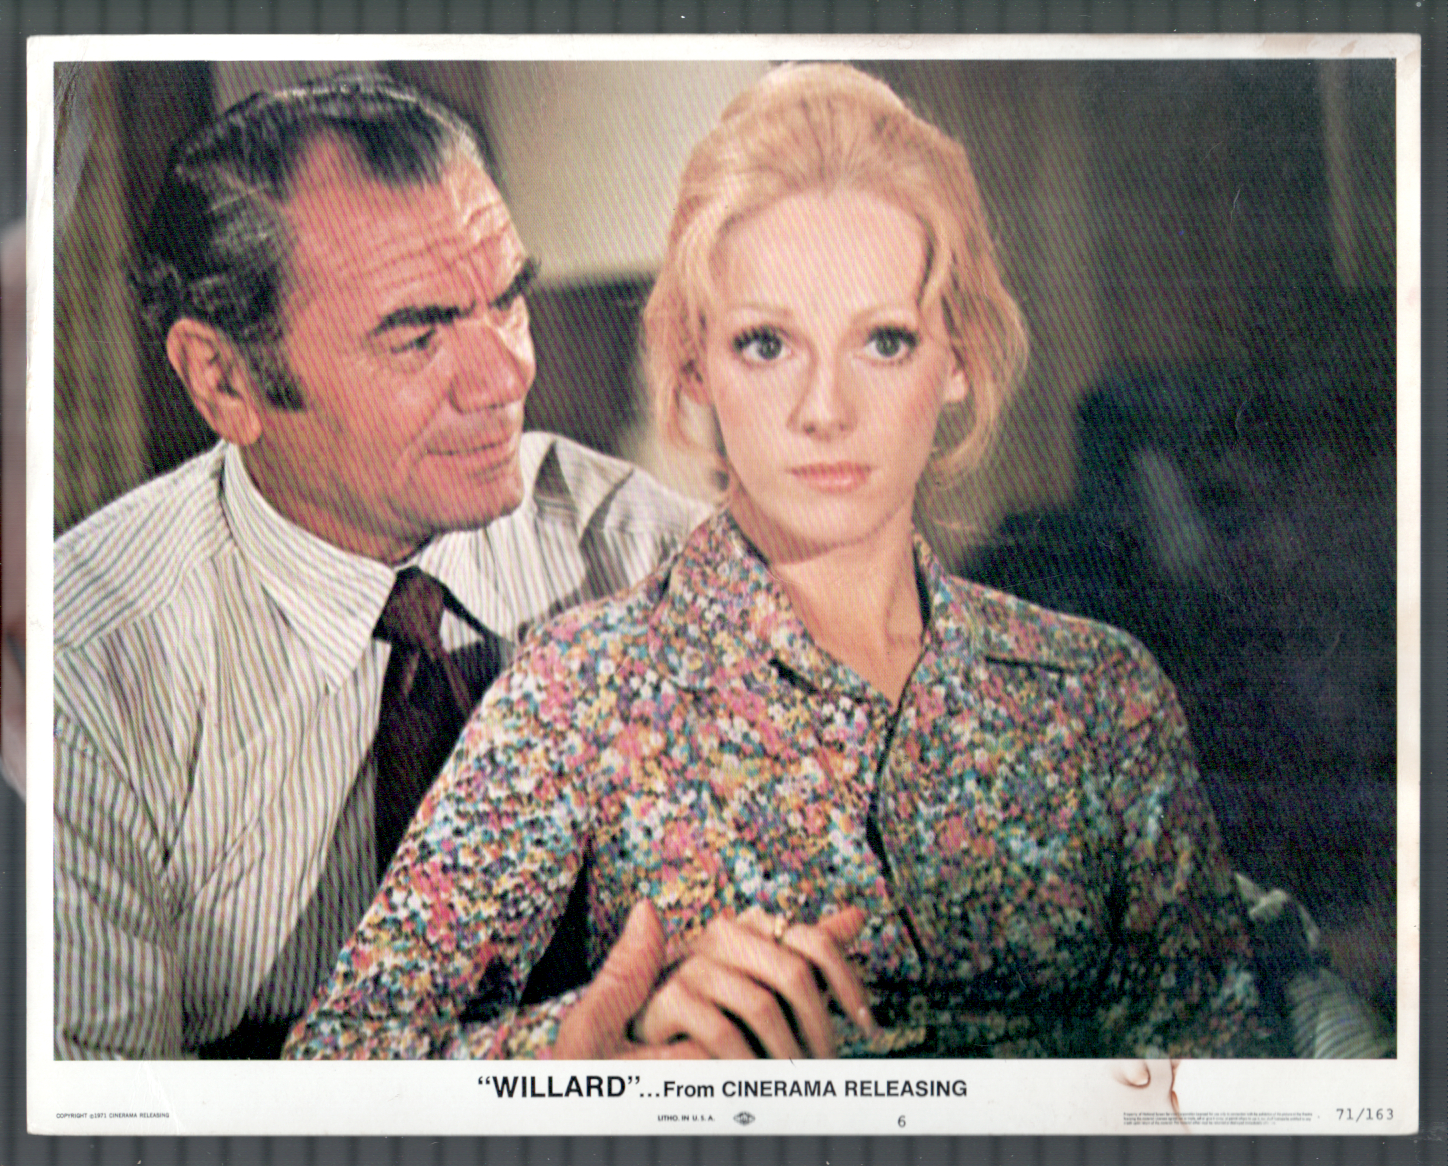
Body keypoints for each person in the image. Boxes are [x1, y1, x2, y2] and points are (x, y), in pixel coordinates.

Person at [284, 64, 1273, 1061]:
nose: (824, 408)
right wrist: (586, 1043)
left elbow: (1223, 1079)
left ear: (958, 359)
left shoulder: (1098, 695)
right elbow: (332, 1067)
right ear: (694, 363)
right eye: (767, 344)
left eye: (884, 341)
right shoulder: (581, 692)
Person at [52, 75, 706, 1060]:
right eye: (417, 333)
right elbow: (110, 1115)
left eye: (507, 300)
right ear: (224, 381)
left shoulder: (645, 554)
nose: (506, 376)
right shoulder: (86, 671)